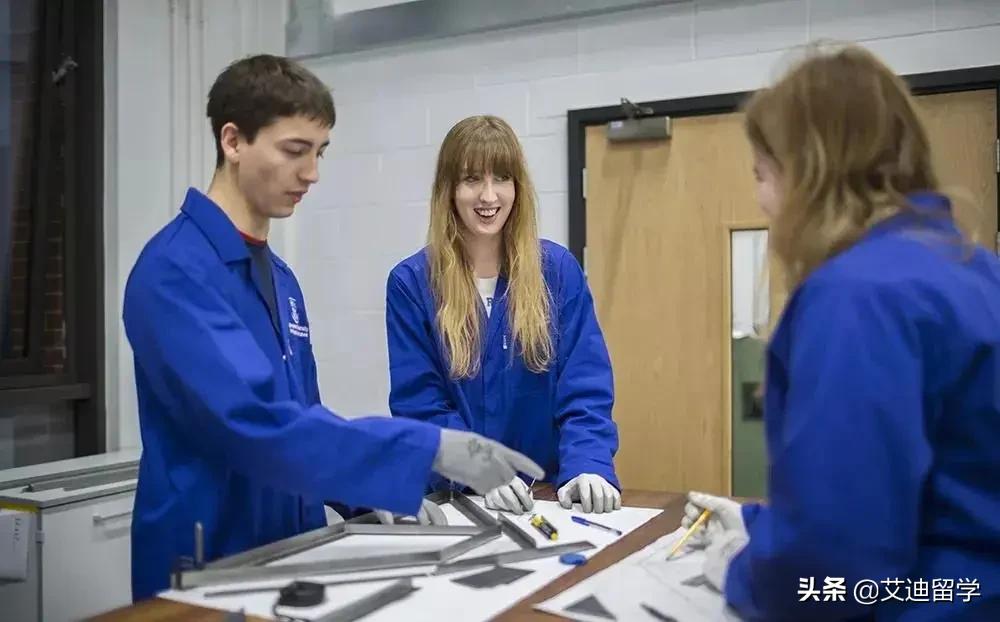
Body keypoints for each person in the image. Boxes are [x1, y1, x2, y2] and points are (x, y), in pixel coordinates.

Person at [122, 57, 543, 601]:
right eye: (295, 151)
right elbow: (257, 428)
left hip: (286, 552)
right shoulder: (174, 274)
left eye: (319, 153)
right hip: (204, 564)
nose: (312, 173)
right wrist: (423, 449)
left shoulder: (281, 280)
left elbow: (304, 418)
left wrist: (363, 503)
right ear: (233, 141)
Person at [681, 45, 1000, 620]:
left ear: (809, 171)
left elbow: (834, 569)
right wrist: (760, 525)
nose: (761, 200)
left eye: (762, 174)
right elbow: (938, 491)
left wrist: (744, 569)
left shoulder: (855, 296)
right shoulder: (972, 267)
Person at [385, 115, 620, 515]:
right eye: (472, 179)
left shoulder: (557, 272)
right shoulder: (412, 284)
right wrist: (481, 471)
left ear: (518, 187)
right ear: (448, 190)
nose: (489, 196)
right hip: (458, 500)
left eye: (502, 179)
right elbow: (421, 405)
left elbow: (583, 388)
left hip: (547, 498)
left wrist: (588, 465)